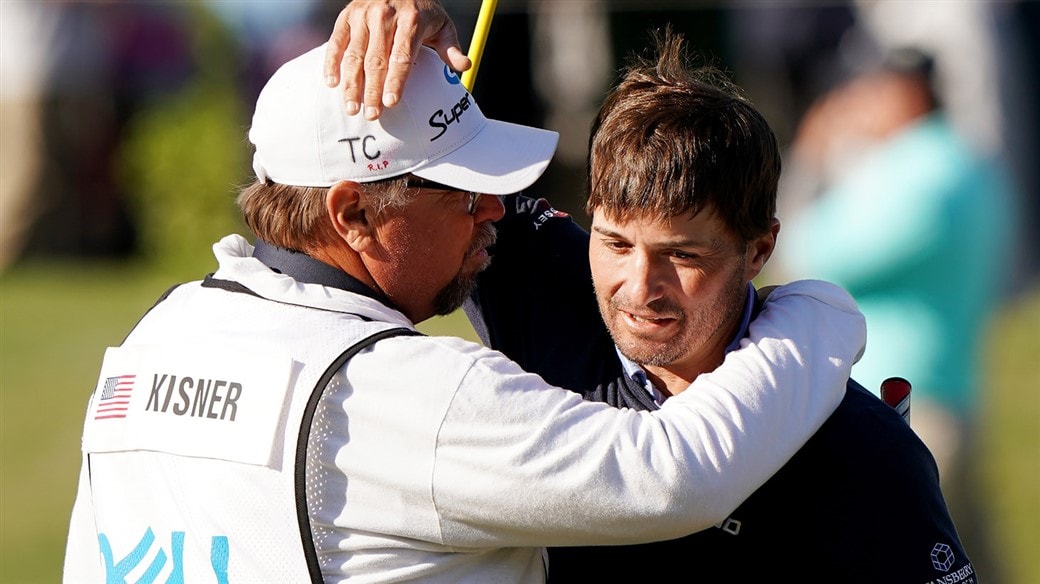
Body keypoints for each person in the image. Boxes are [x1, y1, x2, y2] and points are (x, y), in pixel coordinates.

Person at [62, 40, 866, 582]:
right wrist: (821, 314)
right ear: (352, 214)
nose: (497, 212)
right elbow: (672, 479)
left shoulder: (162, 331)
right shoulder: (407, 392)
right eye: (464, 191)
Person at [322, 4, 975, 580]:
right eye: (613, 243)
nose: (638, 289)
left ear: (759, 249)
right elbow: (429, 177)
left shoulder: (869, 454)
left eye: (682, 256)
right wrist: (407, 43)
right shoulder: (550, 287)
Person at [779, 47, 1015, 581]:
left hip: (903, 407)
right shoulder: (971, 161)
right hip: (949, 391)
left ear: (903, 93)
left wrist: (813, 156)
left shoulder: (914, 171)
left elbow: (802, 253)